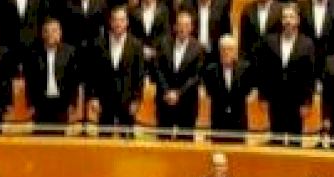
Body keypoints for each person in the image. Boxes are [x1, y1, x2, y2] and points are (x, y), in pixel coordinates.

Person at [83, 5, 145, 136]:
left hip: (127, 102)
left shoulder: (136, 45)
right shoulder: (98, 44)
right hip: (104, 102)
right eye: (115, 20)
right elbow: (91, 74)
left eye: (122, 20)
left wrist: (136, 100)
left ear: (127, 22)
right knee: (104, 140)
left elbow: (139, 75)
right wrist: (93, 97)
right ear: (110, 22)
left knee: (127, 142)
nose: (118, 24)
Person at [260, 5, 315, 144]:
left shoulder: (307, 44)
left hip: (297, 100)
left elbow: (309, 76)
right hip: (275, 99)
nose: (288, 21)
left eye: (291, 17)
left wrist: (307, 102)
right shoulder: (270, 41)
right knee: (275, 139)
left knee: (295, 141)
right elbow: (264, 71)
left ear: (298, 20)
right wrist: (263, 97)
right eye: (285, 17)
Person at [25, 18, 80, 132]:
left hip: (62, 104)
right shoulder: (33, 54)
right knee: (41, 137)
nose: (50, 34)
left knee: (59, 138)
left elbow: (74, 81)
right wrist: (30, 104)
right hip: (41, 105)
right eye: (47, 31)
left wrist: (72, 104)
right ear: (42, 34)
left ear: (60, 33)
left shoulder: (70, 52)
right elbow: (30, 81)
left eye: (54, 31)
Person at [154, 11, 203, 137]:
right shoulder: (163, 44)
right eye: (180, 25)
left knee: (185, 142)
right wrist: (167, 91)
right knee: (163, 140)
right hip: (165, 100)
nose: (183, 29)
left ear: (191, 28)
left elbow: (196, 76)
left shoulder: (198, 48)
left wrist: (178, 93)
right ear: (175, 26)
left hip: (187, 102)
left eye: (186, 25)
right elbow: (158, 70)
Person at [202, 35, 254, 141]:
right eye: (223, 49)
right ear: (219, 51)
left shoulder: (245, 69)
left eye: (230, 49)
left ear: (235, 51)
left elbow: (248, 91)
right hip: (218, 122)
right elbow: (209, 92)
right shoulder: (210, 71)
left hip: (239, 122)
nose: (226, 52)